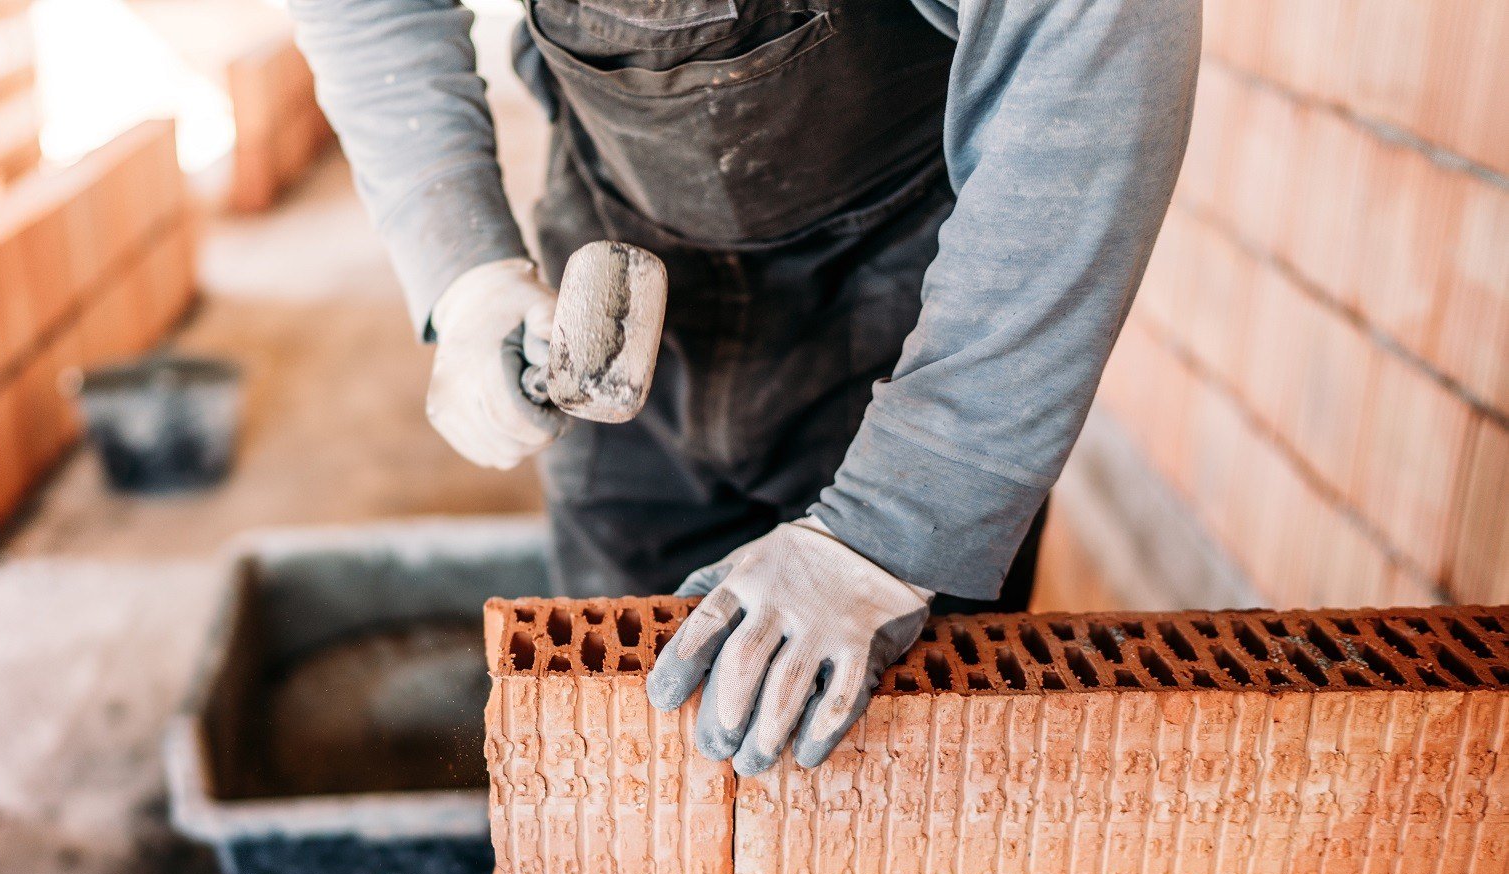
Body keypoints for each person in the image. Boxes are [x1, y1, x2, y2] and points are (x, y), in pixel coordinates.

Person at [286, 0, 1200, 775]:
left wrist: (905, 515)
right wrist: (465, 271)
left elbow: (1095, 34)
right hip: (621, 263)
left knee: (878, 807)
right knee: (625, 772)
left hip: (900, 326)